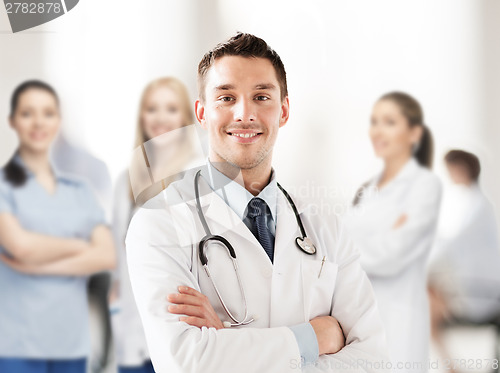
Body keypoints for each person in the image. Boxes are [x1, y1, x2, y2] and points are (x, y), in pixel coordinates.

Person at [125, 32, 388, 373]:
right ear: (202, 113)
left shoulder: (325, 225)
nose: (245, 113)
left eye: (261, 96)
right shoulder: (159, 220)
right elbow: (187, 362)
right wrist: (314, 338)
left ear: (284, 110)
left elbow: (374, 362)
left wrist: (228, 348)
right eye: (226, 98)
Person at [0, 80, 116, 373]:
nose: (39, 122)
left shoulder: (79, 188)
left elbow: (105, 255)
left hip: (68, 342)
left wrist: (38, 261)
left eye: (48, 113)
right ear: (14, 121)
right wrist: (79, 246)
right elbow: (20, 247)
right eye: (28, 113)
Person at [344, 92, 442, 372]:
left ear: (414, 133)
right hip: (361, 319)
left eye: (389, 122)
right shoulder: (368, 188)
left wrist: (350, 255)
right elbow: (339, 241)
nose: (377, 131)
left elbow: (392, 256)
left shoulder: (424, 185)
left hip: (400, 316)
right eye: (374, 121)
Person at [111, 77, 197, 373]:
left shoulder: (202, 179)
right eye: (152, 109)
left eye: (171, 109)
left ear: (186, 117)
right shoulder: (126, 181)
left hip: (182, 332)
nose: (160, 118)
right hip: (132, 335)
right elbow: (116, 253)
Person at [428, 150, 500, 365]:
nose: (449, 175)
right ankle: (449, 364)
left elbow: (452, 244)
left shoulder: (478, 206)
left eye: (450, 169)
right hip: (474, 284)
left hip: (482, 291)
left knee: (425, 302)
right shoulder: (471, 202)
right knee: (426, 300)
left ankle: (450, 365)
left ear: (462, 169)